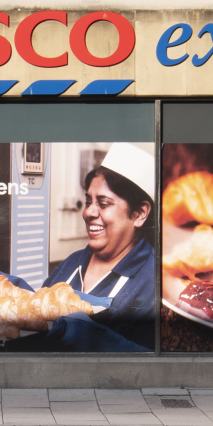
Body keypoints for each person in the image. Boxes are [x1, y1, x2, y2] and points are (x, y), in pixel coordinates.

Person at [39, 142, 160, 352]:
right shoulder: (71, 263)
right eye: (88, 202)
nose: (88, 212)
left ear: (140, 213)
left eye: (103, 204)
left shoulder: (155, 280)